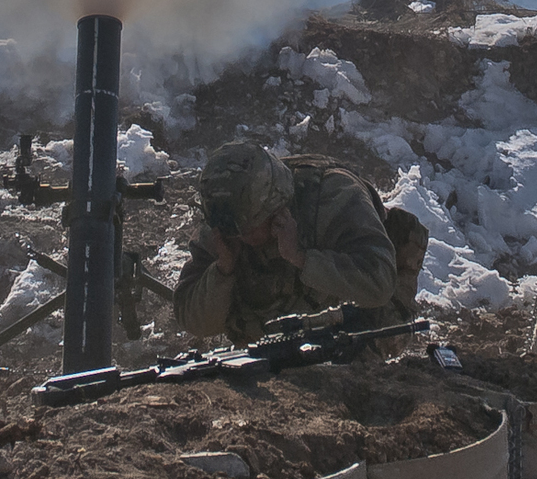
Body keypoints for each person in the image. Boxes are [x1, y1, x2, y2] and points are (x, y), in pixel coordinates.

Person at [173, 140, 426, 344]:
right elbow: (191, 319)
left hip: (359, 311)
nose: (238, 237)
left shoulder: (334, 196)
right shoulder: (224, 219)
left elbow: (379, 284)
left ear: (275, 209)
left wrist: (302, 258)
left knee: (370, 349)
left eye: (247, 228)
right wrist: (222, 271)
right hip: (285, 321)